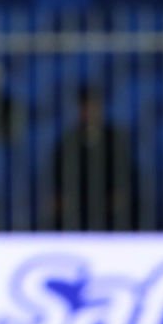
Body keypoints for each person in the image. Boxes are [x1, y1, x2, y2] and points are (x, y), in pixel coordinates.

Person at [49, 85, 138, 231]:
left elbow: (127, 172)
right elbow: (57, 175)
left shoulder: (115, 139)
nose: (89, 111)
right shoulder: (68, 140)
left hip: (110, 208)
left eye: (93, 106)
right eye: (85, 107)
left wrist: (120, 195)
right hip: (76, 208)